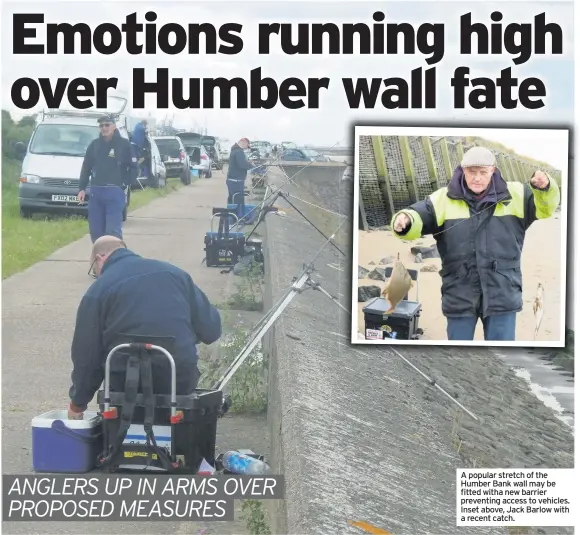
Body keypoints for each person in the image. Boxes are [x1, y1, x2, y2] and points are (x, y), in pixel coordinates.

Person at [390, 146, 560, 342]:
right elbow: (418, 214)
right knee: (458, 359)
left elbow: (546, 208)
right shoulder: (442, 199)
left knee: (501, 360)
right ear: (463, 170)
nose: (477, 178)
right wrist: (404, 221)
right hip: (459, 294)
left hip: (503, 293)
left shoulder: (518, 194)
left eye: (483, 172)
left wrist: (545, 187)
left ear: (493, 171)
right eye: (472, 172)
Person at [67, 235, 222, 420]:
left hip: (123, 382)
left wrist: (78, 403)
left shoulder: (98, 290)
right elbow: (211, 330)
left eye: (94, 270)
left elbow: (87, 355)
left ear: (100, 259)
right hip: (177, 378)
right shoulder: (176, 275)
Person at [78, 114, 139, 248]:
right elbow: (86, 167)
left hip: (114, 193)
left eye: (107, 125)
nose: (104, 128)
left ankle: (115, 260)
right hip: (96, 193)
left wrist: (124, 183)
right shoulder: (94, 145)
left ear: (114, 126)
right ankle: (100, 261)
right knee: (96, 232)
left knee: (112, 232)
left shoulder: (124, 144)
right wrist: (82, 188)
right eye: (101, 126)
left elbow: (134, 168)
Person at [226, 137, 253, 221]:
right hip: (236, 181)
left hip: (231, 180)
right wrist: (250, 165)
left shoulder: (234, 150)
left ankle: (231, 217)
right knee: (238, 200)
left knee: (232, 199)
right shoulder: (239, 152)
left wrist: (247, 163)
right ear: (243, 142)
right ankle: (238, 218)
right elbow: (243, 165)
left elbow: (239, 163)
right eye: (247, 146)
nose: (246, 148)